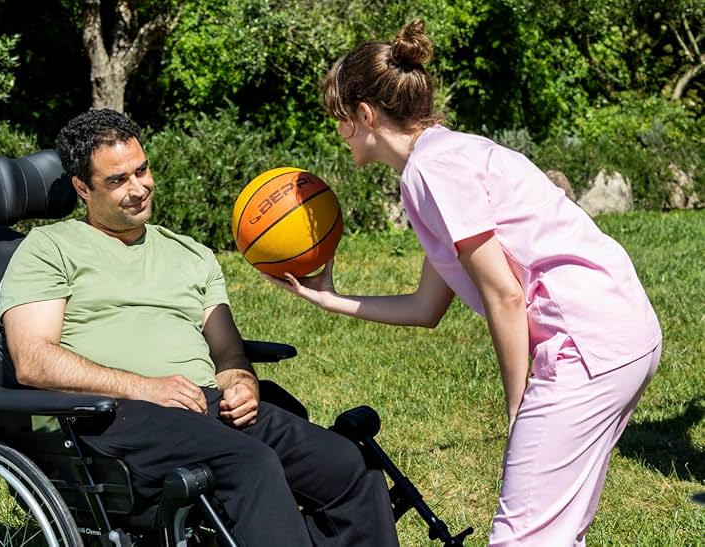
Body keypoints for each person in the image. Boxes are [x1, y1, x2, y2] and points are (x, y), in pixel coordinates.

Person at [264, 20, 662, 547]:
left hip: (587, 346)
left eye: (339, 119)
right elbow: (429, 306)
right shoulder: (439, 160)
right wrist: (330, 299)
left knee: (522, 536)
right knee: (556, 530)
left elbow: (505, 295)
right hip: (620, 335)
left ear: (364, 115)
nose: (337, 134)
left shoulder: (434, 171)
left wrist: (519, 404)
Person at [0, 108, 399, 547]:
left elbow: (227, 352)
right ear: (81, 188)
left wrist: (242, 382)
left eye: (142, 170)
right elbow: (33, 359)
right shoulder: (50, 248)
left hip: (206, 405)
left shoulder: (191, 254)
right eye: (117, 181)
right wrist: (143, 387)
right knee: (250, 463)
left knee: (346, 463)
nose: (138, 188)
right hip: (106, 415)